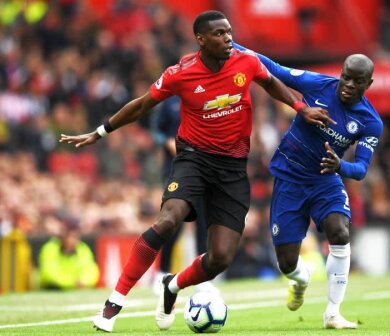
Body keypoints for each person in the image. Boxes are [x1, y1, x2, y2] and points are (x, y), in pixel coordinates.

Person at [59, 10, 332, 333]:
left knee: (219, 258)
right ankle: (113, 303)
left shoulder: (245, 61)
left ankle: (171, 286)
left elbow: (272, 83)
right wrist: (100, 132)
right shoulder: (181, 73)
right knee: (167, 220)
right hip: (194, 160)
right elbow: (143, 104)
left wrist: (301, 108)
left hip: (232, 169)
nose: (228, 38)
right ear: (201, 39)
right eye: (219, 34)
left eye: (229, 32)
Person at [233, 42, 383, 329]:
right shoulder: (317, 85)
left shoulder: (370, 121)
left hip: (325, 179)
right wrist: (234, 46)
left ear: (369, 83)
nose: (349, 85)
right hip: (289, 176)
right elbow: (274, 68)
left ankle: (333, 313)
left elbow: (362, 169)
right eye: (346, 77)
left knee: (340, 231)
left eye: (357, 81)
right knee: (287, 263)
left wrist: (341, 167)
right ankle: (301, 279)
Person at [149, 96, 217, 295]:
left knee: (204, 223)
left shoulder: (206, 98)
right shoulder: (168, 102)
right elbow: (156, 131)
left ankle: (202, 277)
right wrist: (168, 141)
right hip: (175, 169)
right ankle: (162, 273)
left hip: (202, 168)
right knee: (172, 224)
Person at [38, 219, 99, 290]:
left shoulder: (83, 249)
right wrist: (73, 282)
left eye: (75, 235)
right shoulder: (50, 248)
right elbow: (49, 274)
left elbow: (91, 270)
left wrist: (83, 282)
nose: (72, 239)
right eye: (69, 235)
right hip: (55, 289)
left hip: (78, 289)